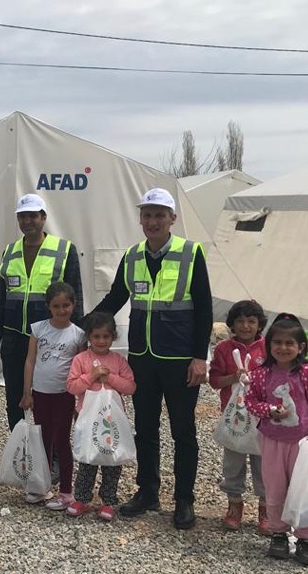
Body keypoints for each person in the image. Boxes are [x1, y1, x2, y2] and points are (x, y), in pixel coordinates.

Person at [91, 187, 212, 530]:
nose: (153, 221)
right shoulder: (132, 257)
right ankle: (148, 491)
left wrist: (199, 357)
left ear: (172, 219)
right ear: (140, 219)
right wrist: (80, 326)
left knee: (183, 431)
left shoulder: (190, 253)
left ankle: (184, 499)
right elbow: (115, 298)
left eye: (160, 215)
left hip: (179, 359)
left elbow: (204, 308)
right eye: (147, 215)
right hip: (143, 358)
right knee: (145, 428)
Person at [0, 193, 83, 432]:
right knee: (14, 397)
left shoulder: (64, 250)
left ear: (43, 217)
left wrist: (79, 340)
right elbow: (0, 298)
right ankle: (19, 446)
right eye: (22, 217)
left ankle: (49, 448)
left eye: (32, 216)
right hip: (14, 337)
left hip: (50, 339)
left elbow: (76, 297)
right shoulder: (10, 251)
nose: (27, 221)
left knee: (48, 397)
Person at [245, 314, 308, 563]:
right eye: (277, 342)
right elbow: (250, 401)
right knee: (275, 488)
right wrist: (269, 410)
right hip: (272, 440)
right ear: (269, 345)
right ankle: (278, 533)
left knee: (303, 489)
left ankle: (304, 536)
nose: (283, 348)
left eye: (289, 343)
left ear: (301, 347)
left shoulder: (305, 374)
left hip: (302, 442)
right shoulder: (261, 375)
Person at [19, 282, 86, 510]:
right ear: (48, 306)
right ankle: (42, 485)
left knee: (62, 440)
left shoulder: (78, 335)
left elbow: (81, 368)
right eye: (56, 306)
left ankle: (66, 491)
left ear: (73, 305)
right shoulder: (38, 329)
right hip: (40, 393)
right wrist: (27, 392)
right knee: (43, 440)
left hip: (63, 395)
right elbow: (30, 360)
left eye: (66, 305)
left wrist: (80, 400)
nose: (61, 310)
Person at [65, 312, 136, 521]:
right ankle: (82, 498)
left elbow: (130, 387)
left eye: (106, 336)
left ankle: (109, 500)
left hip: (111, 419)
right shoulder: (81, 360)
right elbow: (72, 387)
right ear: (89, 336)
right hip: (87, 417)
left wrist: (110, 378)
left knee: (111, 459)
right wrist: (91, 376)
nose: (101, 341)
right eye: (96, 336)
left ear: (113, 336)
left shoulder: (118, 361)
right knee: (88, 457)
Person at [208, 300, 268, 533]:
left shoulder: (267, 348)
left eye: (251, 321)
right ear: (232, 324)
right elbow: (215, 381)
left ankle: (266, 508)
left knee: (263, 463)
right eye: (240, 321)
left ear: (259, 325)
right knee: (233, 462)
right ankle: (234, 504)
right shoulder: (223, 349)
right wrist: (234, 377)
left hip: (262, 417)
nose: (245, 326)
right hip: (234, 417)